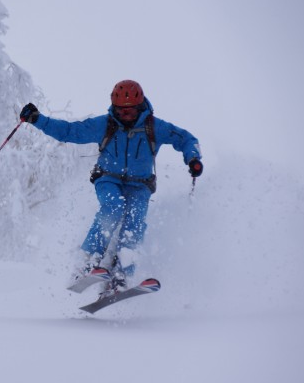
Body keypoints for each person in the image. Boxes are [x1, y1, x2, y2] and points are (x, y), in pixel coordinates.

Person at [20, 79, 202, 297]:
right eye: (120, 110)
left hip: (140, 185)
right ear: (113, 106)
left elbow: (187, 139)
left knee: (134, 222)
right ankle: (86, 264)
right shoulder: (105, 124)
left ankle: (121, 276)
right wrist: (37, 119)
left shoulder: (154, 127)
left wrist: (193, 158)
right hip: (108, 179)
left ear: (140, 105)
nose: (125, 114)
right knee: (113, 206)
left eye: (130, 110)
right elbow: (69, 131)